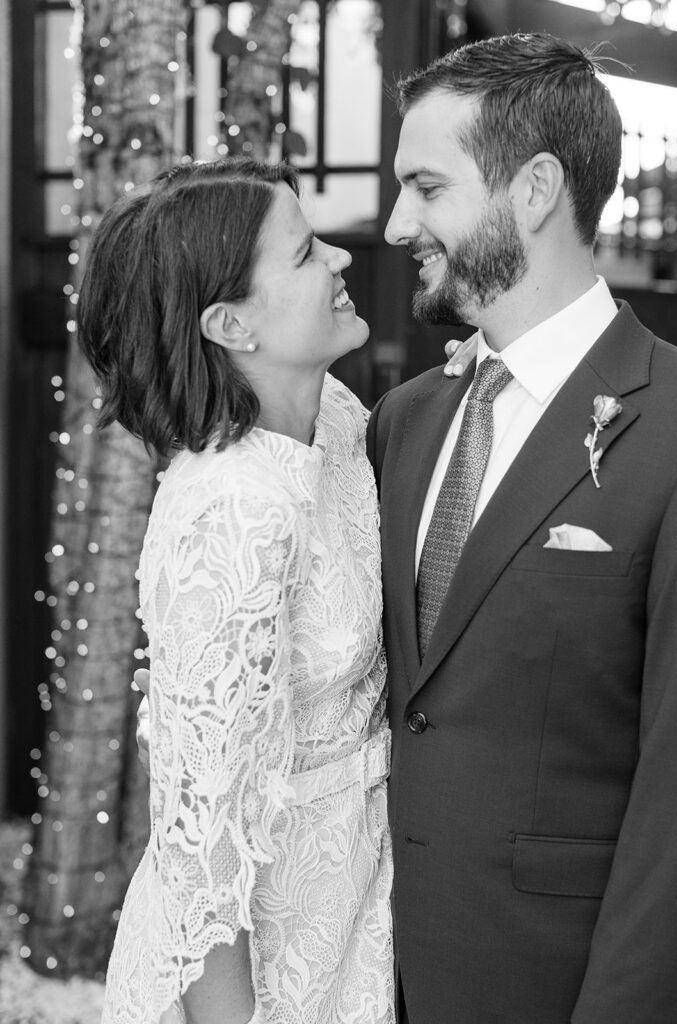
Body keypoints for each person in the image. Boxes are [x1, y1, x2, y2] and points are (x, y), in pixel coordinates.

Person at [367, 31, 677, 1024]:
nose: (395, 223)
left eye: (426, 187)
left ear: (536, 188)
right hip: (393, 981)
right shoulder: (404, 421)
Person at [79, 159, 396, 1024]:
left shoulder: (335, 416)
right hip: (258, 960)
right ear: (230, 324)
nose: (339, 258)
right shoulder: (230, 510)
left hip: (355, 898)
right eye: (305, 253)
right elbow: (200, 855)